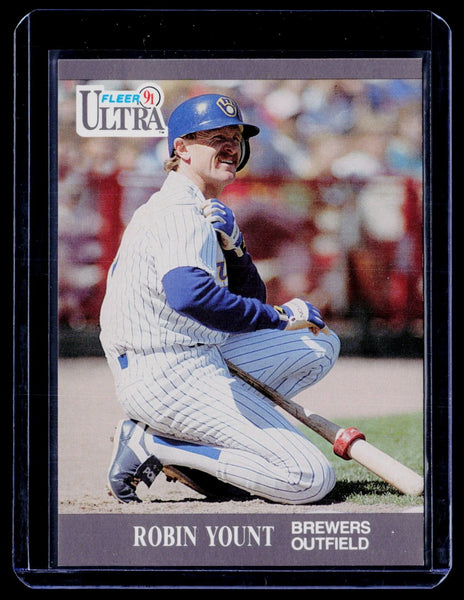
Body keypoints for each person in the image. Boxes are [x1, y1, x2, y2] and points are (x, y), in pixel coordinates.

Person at [100, 93, 341, 504]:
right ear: (182, 149)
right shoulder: (179, 210)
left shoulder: (198, 206)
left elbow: (248, 298)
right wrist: (281, 316)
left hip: (193, 357)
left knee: (319, 343)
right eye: (216, 139)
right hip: (168, 373)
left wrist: (237, 248)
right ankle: (159, 444)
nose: (230, 147)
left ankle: (210, 439)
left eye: (235, 138)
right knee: (310, 478)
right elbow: (191, 296)